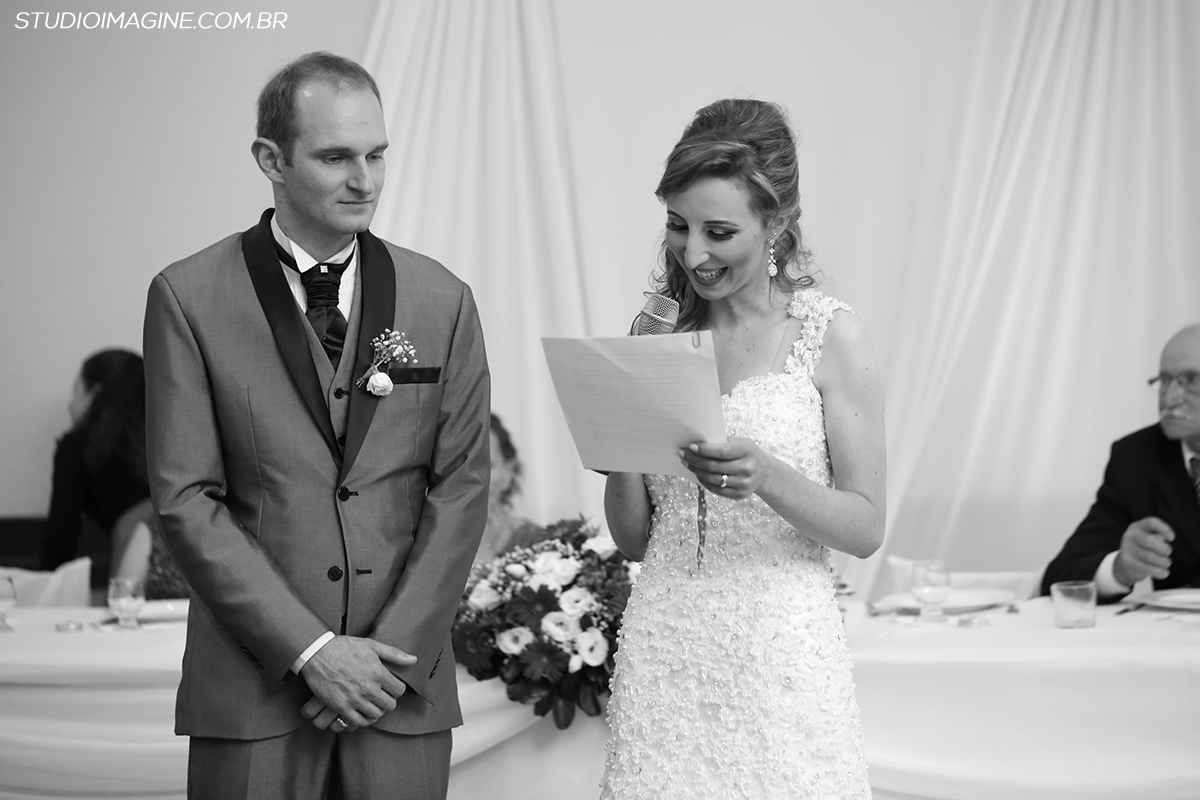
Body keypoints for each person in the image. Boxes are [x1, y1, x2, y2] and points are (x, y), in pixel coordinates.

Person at [142, 52, 490, 799]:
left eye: (376, 154)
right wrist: (312, 650)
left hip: (398, 690)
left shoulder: (444, 298)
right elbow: (185, 498)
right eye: (336, 157)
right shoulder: (187, 297)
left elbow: (462, 487)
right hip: (253, 689)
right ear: (272, 159)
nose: (365, 180)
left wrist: (386, 657)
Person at [601, 99, 886, 799]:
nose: (693, 253)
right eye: (678, 225)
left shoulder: (829, 335)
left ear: (777, 223)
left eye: (719, 232)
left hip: (781, 655)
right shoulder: (658, 335)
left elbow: (865, 528)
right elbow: (635, 540)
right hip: (664, 648)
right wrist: (619, 441)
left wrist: (768, 475)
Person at [1042, 324, 1200, 600]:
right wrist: (1121, 567)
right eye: (1165, 380)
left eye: (1192, 380)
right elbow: (1061, 578)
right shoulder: (1138, 457)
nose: (1170, 399)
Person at [40, 349, 152, 574]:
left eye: (76, 391)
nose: (70, 404)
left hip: (136, 563)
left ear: (95, 393)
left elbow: (61, 535)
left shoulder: (76, 447)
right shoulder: (165, 440)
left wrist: (48, 584)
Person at [473, 413, 545, 568]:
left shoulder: (539, 542)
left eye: (486, 466)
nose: (473, 478)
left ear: (508, 472)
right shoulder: (429, 547)